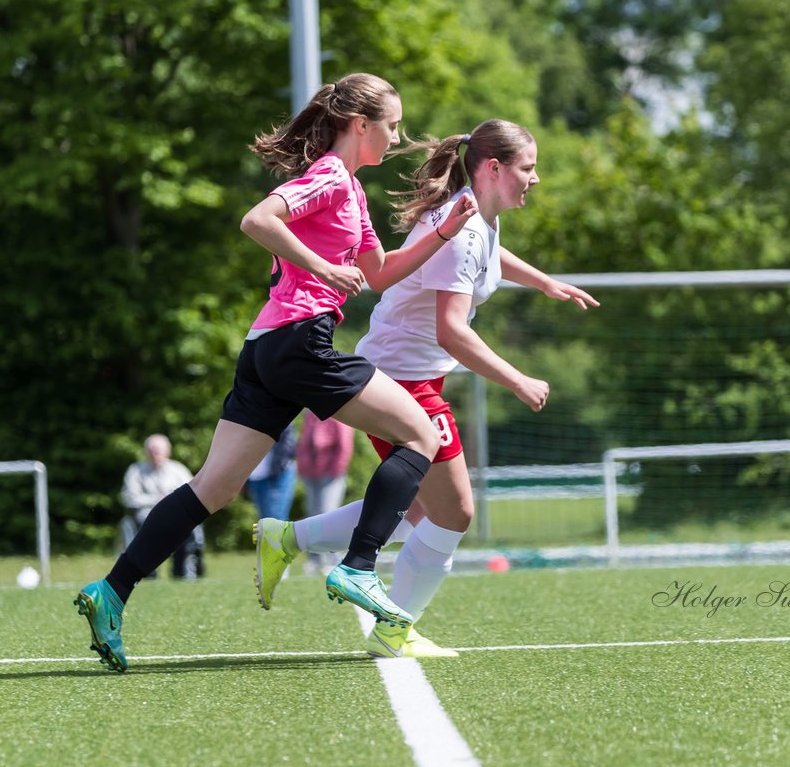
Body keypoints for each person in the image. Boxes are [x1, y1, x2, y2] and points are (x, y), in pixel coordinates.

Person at [74, 72, 479, 672]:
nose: (396, 139)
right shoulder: (331, 176)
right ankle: (359, 567)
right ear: (360, 125)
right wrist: (322, 268)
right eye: (391, 125)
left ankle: (111, 591)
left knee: (212, 487)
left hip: (265, 345)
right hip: (298, 341)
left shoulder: (353, 193)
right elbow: (257, 220)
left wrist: (443, 232)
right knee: (420, 433)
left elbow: (381, 271)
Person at [253, 119, 598, 658]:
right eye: (528, 168)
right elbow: (451, 331)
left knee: (414, 512)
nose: (534, 178)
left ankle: (287, 539)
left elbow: (491, 255)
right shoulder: (461, 227)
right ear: (493, 168)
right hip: (402, 379)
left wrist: (544, 281)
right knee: (454, 512)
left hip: (410, 372)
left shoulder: (475, 213)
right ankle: (394, 630)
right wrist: (518, 379)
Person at [120, 434, 203, 580]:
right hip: (145, 515)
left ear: (167, 452)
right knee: (145, 521)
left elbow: (193, 495)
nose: (154, 454)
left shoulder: (178, 470)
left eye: (158, 450)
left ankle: (182, 570)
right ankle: (146, 571)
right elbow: (130, 498)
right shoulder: (136, 471)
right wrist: (157, 500)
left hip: (176, 515)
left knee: (188, 525)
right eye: (151, 450)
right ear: (146, 452)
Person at [296, 411, 354, 574]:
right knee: (312, 517)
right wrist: (302, 468)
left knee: (328, 515)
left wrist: (336, 470)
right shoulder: (309, 417)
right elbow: (302, 445)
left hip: (331, 473)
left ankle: (331, 558)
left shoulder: (339, 416)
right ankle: (314, 559)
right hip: (311, 473)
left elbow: (345, 445)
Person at [245, 423, 298, 522]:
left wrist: (280, 465)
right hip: (255, 475)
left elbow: (287, 443)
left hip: (277, 474)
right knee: (264, 522)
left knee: (276, 521)